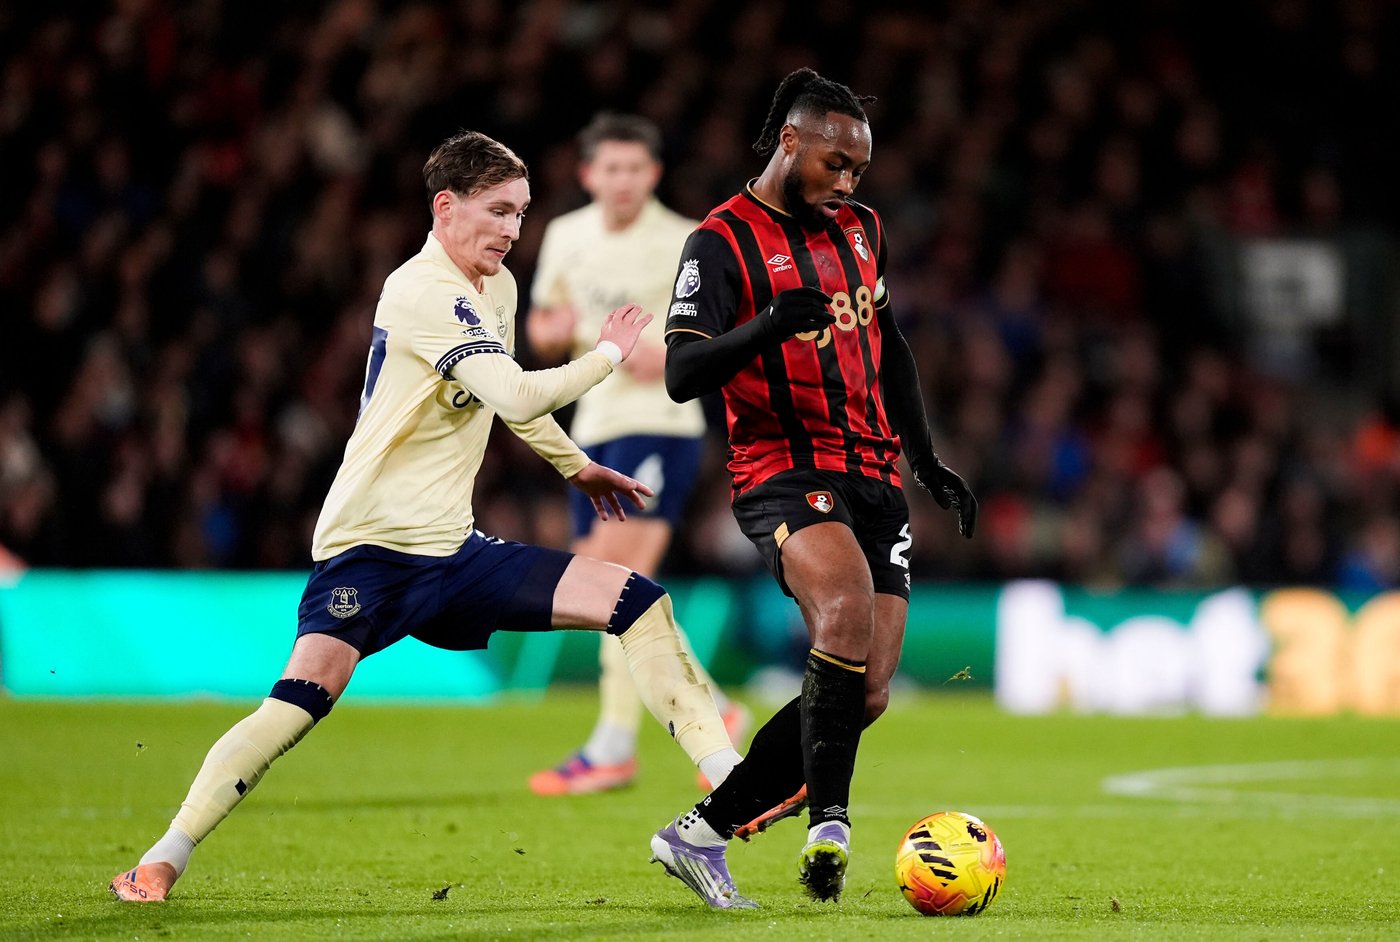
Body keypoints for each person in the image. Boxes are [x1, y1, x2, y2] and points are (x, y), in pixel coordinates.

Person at [109, 130, 743, 903]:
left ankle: (733, 791)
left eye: (522, 213)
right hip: (368, 550)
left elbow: (506, 396)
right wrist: (609, 353)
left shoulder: (497, 288)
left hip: (455, 551)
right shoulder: (420, 290)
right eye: (499, 211)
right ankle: (165, 854)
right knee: (299, 702)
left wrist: (574, 465)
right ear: (446, 208)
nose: (513, 231)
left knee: (637, 600)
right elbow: (516, 393)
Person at [647, 68, 978, 908]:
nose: (846, 183)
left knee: (865, 690)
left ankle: (701, 835)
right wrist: (764, 327)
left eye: (858, 171)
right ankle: (830, 822)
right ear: (790, 141)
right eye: (834, 163)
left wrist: (926, 456)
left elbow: (889, 340)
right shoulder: (718, 242)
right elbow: (683, 372)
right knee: (843, 609)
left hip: (874, 475)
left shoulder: (862, 230)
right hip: (784, 472)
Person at [525, 113, 748, 797]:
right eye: (609, 169)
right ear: (588, 174)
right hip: (589, 427)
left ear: (653, 174)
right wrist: (550, 331)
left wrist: (677, 356)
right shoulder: (565, 236)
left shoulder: (686, 238)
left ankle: (613, 747)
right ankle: (715, 706)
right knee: (612, 585)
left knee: (612, 582)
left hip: (662, 425)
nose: (622, 181)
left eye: (635, 169)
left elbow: (719, 337)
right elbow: (540, 329)